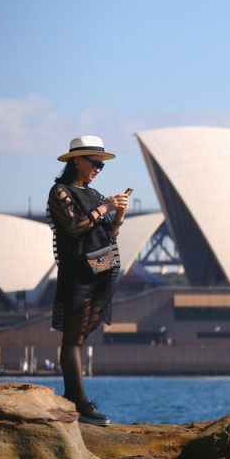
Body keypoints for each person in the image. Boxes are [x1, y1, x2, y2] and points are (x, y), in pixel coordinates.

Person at [48, 136, 130, 426]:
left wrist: (118, 215)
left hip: (102, 272)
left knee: (80, 338)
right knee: (72, 339)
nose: (98, 168)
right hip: (78, 274)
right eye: (94, 163)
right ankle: (79, 401)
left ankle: (76, 399)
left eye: (101, 165)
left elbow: (107, 235)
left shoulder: (94, 195)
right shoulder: (61, 191)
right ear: (76, 161)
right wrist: (105, 208)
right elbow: (73, 227)